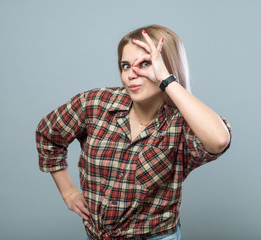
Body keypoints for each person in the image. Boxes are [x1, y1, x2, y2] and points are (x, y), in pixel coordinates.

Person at [36, 24, 231, 240]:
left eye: (145, 64)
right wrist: (69, 192)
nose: (132, 75)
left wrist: (167, 80)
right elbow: (48, 134)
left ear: (166, 67)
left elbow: (219, 140)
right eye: (125, 66)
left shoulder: (183, 124)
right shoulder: (95, 104)